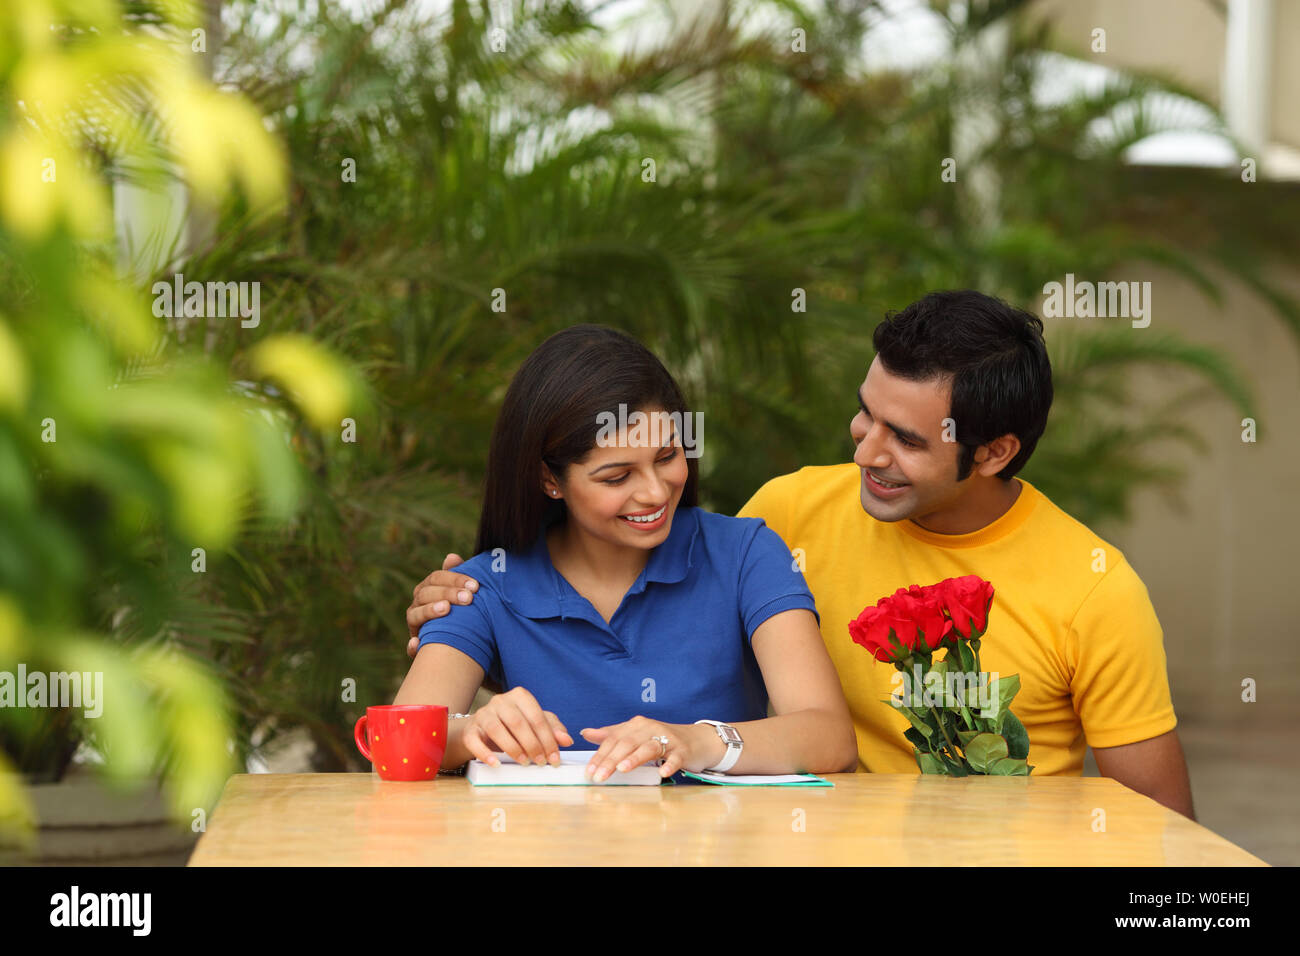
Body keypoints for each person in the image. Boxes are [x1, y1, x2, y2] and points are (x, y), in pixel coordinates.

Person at [407, 292, 1196, 819]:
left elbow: (1164, 835)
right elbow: (662, 574)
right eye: (865, 414)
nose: (866, 450)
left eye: (906, 439)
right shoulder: (786, 514)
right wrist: (457, 647)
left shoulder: (1094, 591)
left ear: (993, 452)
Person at [393, 324, 857, 781]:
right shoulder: (482, 586)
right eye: (617, 477)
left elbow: (830, 738)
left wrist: (695, 742)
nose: (655, 492)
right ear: (549, 480)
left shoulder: (746, 555)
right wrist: (476, 730)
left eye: (667, 456)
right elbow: (398, 742)